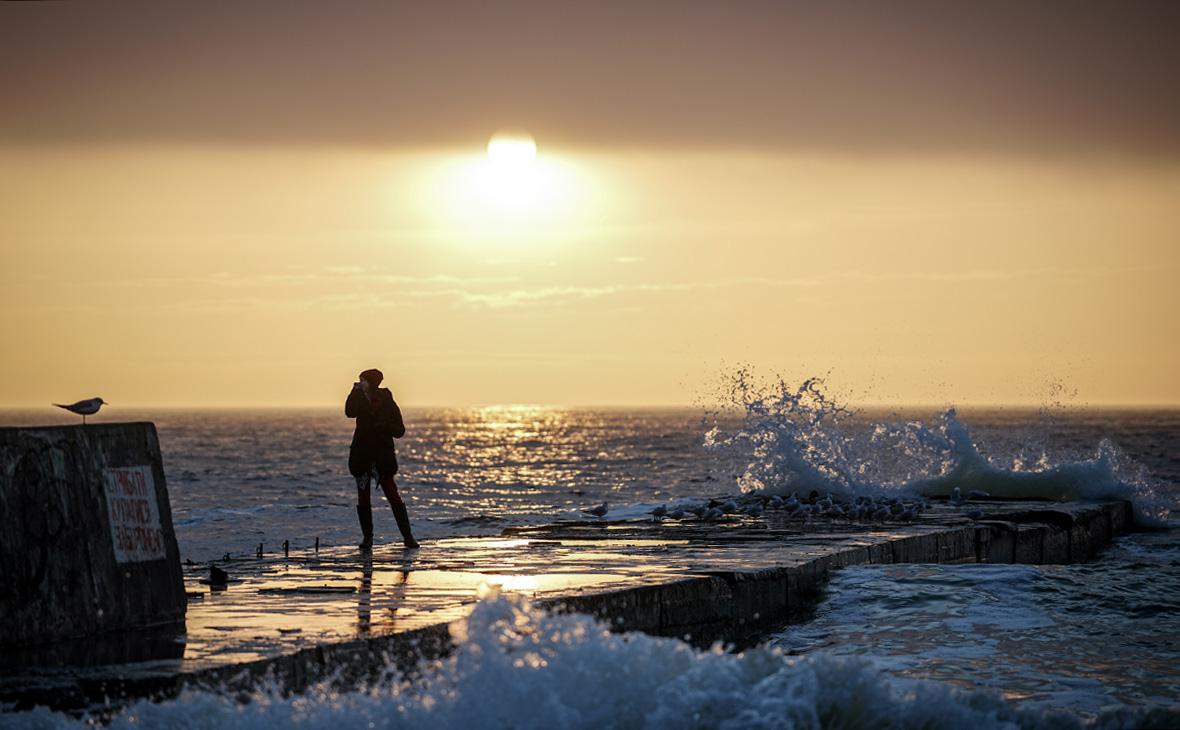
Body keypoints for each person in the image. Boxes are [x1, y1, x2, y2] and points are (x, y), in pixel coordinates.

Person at [346, 369, 419, 549]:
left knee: (392, 495)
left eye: (363, 380)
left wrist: (385, 426)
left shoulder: (386, 400)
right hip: (362, 456)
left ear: (372, 382)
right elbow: (349, 412)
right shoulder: (359, 398)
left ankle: (408, 537)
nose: (360, 383)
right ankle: (367, 539)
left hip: (382, 457)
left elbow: (400, 430)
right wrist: (353, 392)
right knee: (363, 497)